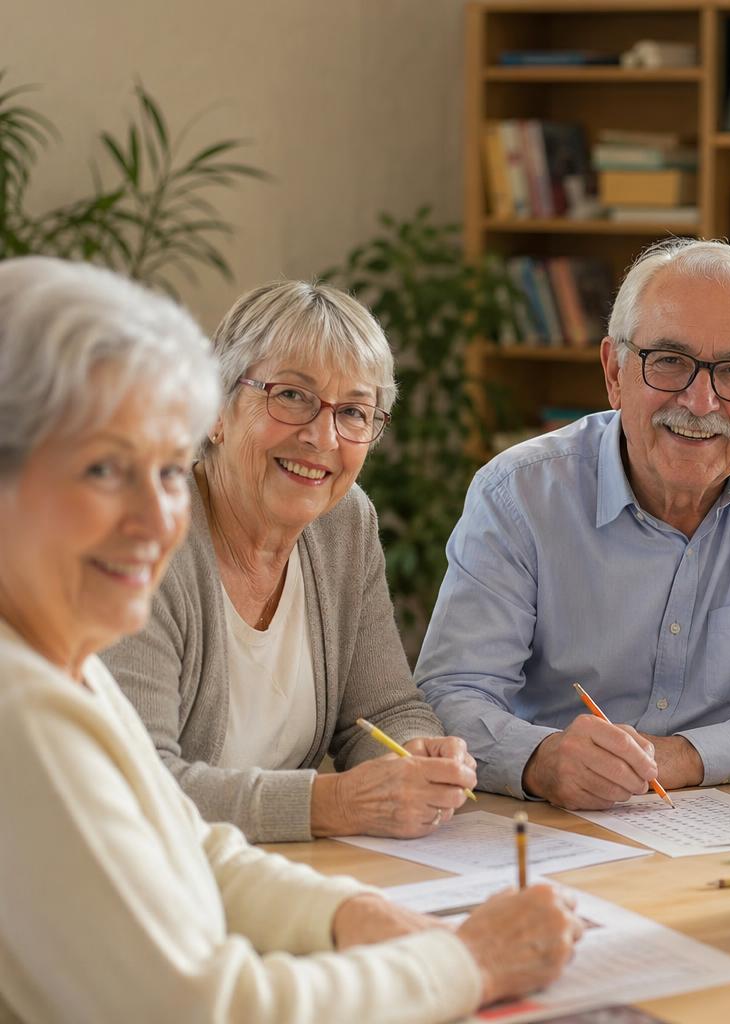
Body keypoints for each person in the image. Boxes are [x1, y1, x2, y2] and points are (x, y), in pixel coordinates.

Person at [0, 257, 582, 1023]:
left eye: (168, 471)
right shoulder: (21, 710)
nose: (156, 520)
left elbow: (183, 841)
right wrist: (469, 963)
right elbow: (212, 1011)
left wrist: (350, 915)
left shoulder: (62, 658)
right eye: (104, 469)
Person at [416, 238, 730, 809]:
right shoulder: (518, 493)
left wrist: (687, 757)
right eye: (669, 361)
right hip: (557, 821)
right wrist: (539, 759)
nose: (700, 402)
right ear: (614, 372)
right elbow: (450, 696)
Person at [103, 281, 475, 843]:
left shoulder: (343, 522)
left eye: (353, 412)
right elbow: (136, 786)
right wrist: (333, 803)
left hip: (276, 866)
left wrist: (415, 755)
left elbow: (385, 710)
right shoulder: (144, 536)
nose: (322, 437)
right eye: (292, 396)